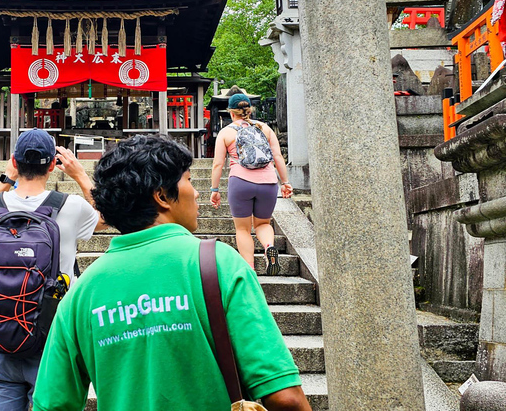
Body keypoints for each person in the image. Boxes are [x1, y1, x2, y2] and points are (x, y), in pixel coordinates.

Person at [32, 135, 311, 411]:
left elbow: (51, 404)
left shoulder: (82, 293)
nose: (196, 192)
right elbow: (285, 397)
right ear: (162, 196)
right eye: (188, 180)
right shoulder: (219, 263)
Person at [0, 128, 105, 411]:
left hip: (0, 339)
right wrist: (81, 175)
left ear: (14, 162)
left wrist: (6, 180)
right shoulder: (71, 207)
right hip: (53, 341)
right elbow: (105, 218)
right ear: (53, 165)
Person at [210, 93, 292, 274]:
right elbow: (278, 156)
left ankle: (250, 269)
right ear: (250, 110)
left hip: (240, 182)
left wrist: (215, 190)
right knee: (263, 224)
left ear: (231, 112)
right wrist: (285, 182)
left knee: (243, 229)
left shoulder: (226, 132)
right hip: (268, 183)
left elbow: (217, 164)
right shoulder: (265, 128)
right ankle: (269, 246)